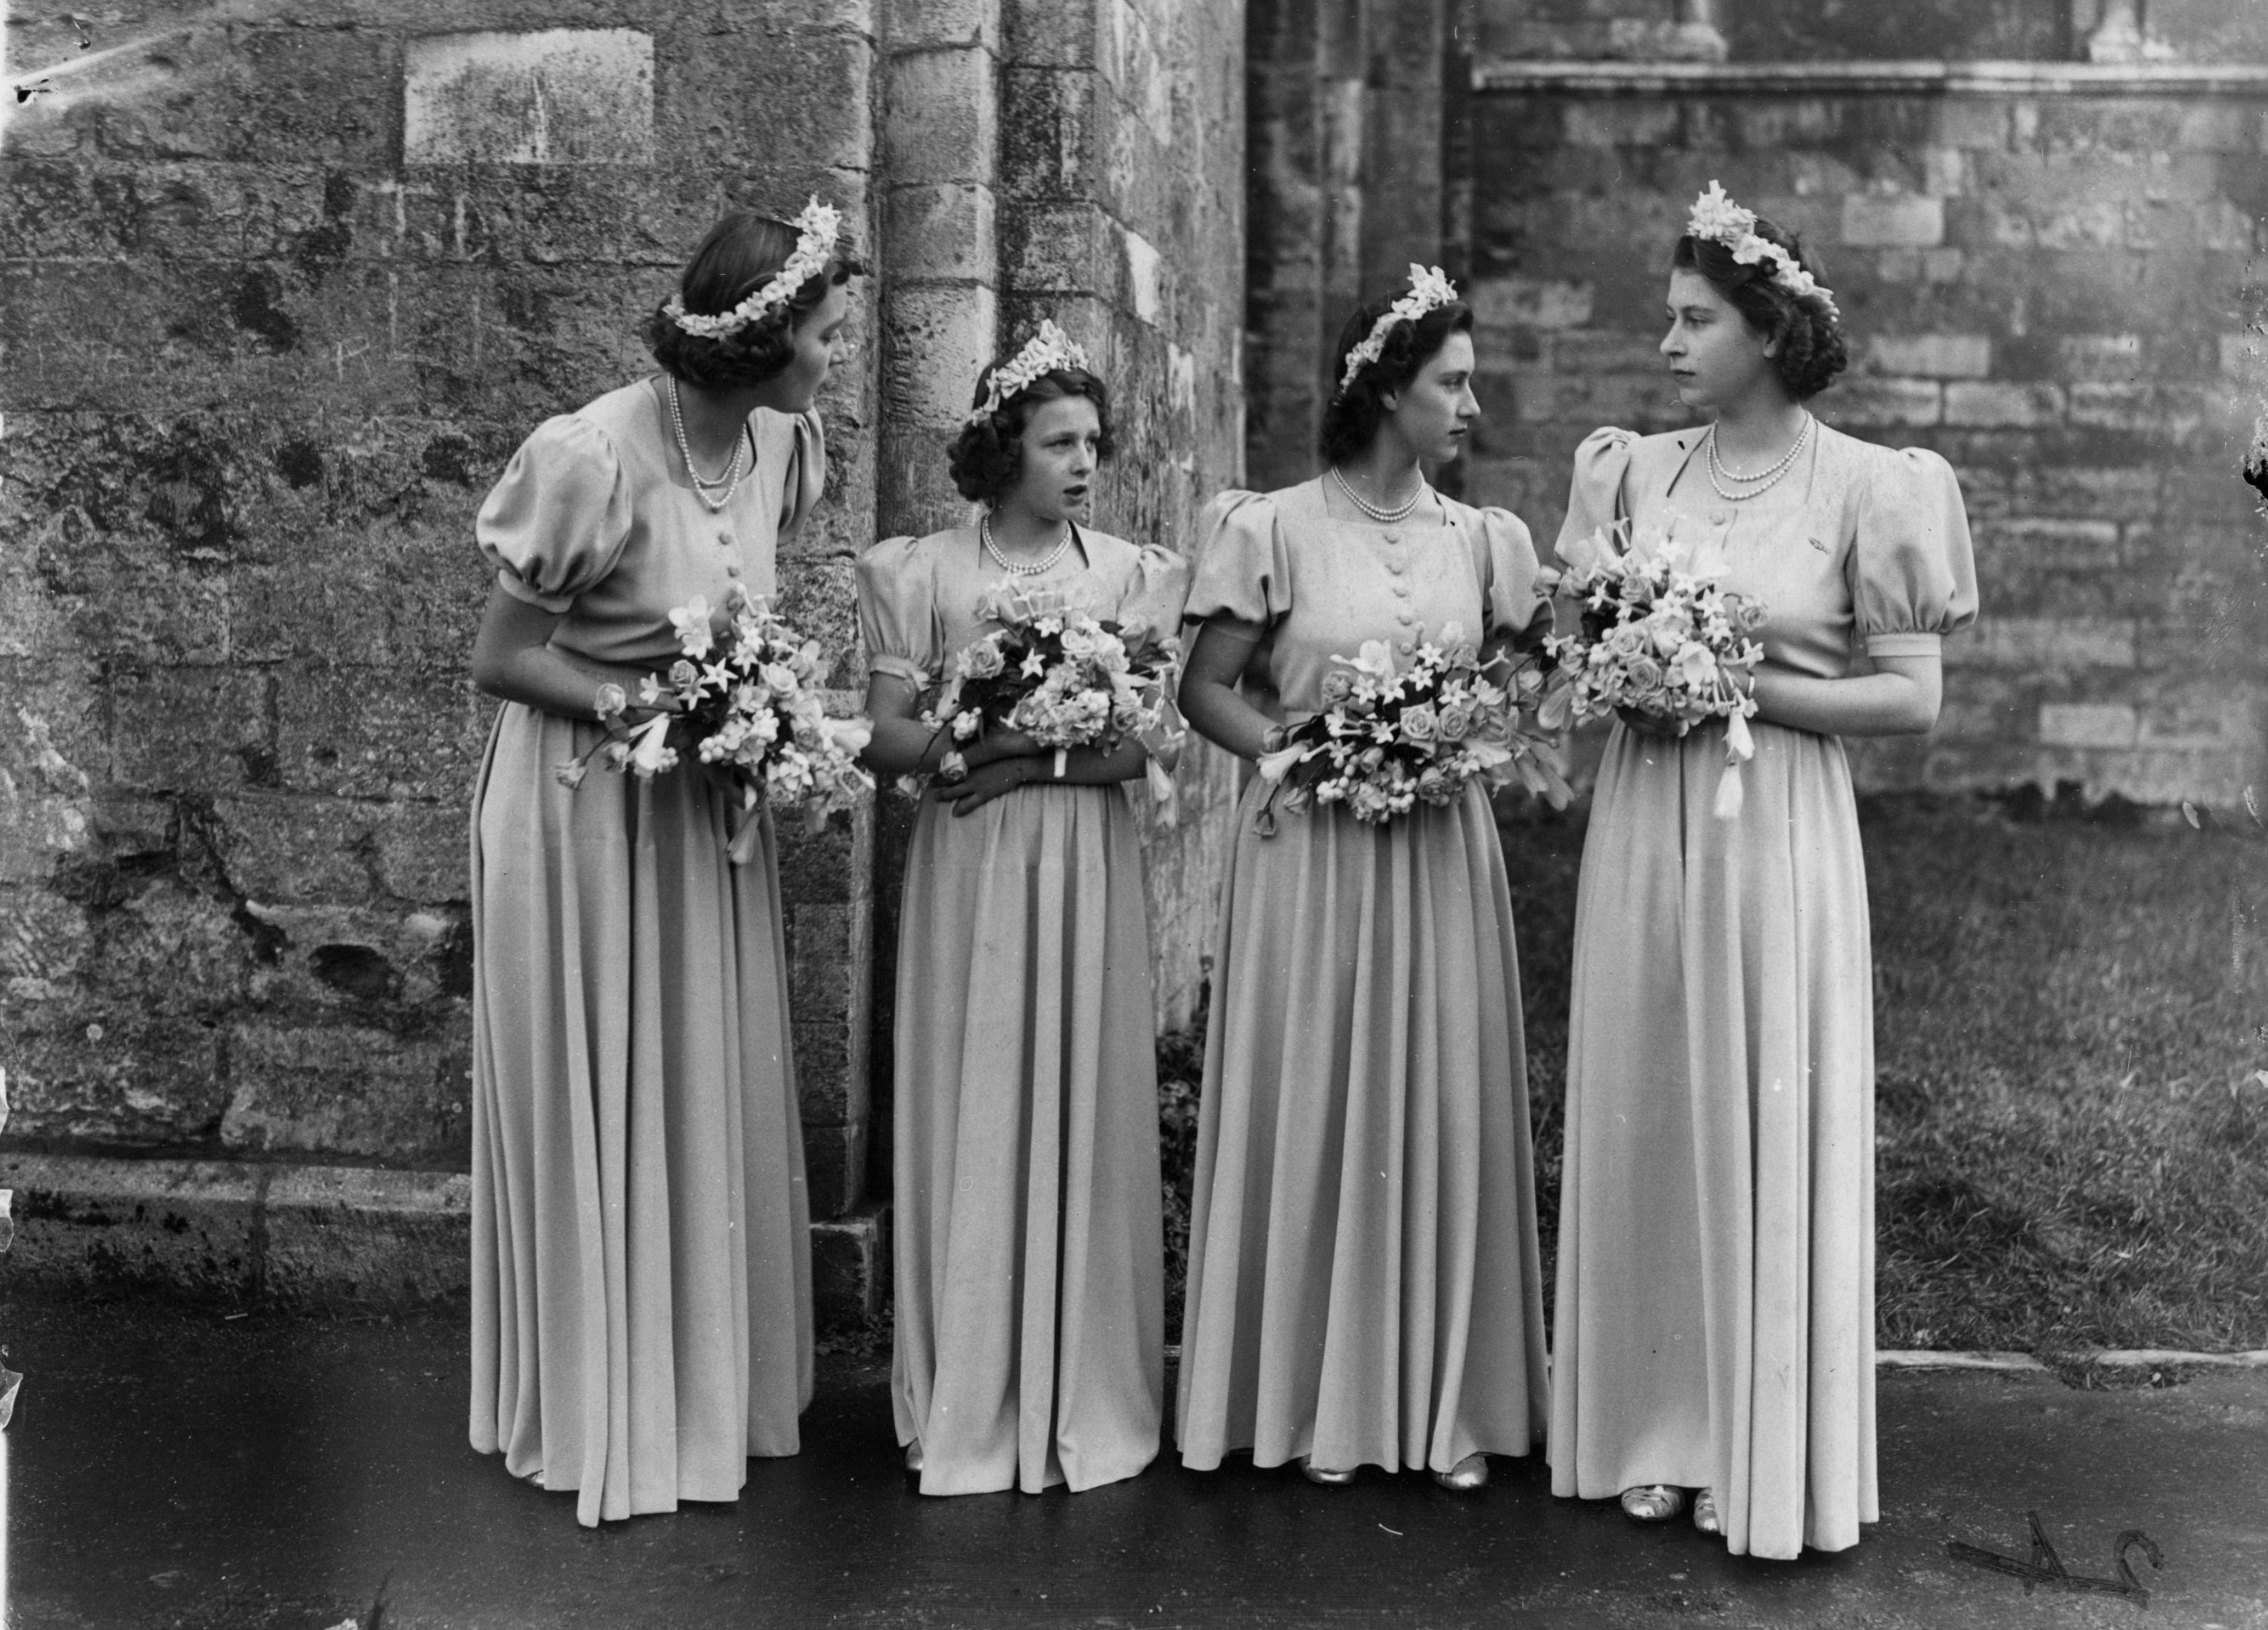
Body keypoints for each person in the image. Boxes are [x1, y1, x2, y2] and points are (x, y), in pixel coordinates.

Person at [1546, 182, 1978, 1558]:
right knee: (1657, 1104)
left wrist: (1741, 686)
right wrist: (1625, 670)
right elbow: (1575, 655)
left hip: (1775, 821)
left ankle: (1759, 1436)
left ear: (1769, 331)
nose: (1669, 344)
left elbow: (1910, 701)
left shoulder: (1870, 485)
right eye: (1668, 320)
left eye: (1695, 320)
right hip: (1645, 818)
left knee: (1757, 1102)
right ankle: (1659, 1424)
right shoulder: (1632, 470)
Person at [466, 200, 857, 1526]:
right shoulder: (590, 457)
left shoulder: (781, 445)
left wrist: (757, 713)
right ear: (758, 339)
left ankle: (696, 1391)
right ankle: (604, 1404)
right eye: (820, 332)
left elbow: (734, 619)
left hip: (696, 814)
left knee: (693, 1082)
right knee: (607, 1081)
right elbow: (501, 658)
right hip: (582, 808)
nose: (832, 356)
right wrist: (661, 713)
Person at [1173, 268, 1553, 1491]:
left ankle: (1442, 1397)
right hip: (1313, 854)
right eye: (1452, 382)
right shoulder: (1273, 526)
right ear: (1387, 388)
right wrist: (1301, 751)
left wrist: (1465, 727)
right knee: (1322, 1096)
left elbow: (1529, 682)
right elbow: (1206, 690)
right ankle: (1310, 1398)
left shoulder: (1485, 543)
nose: (1471, 405)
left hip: (1440, 852)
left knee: (1435, 1097)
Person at [856, 322, 1188, 1496]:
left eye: (1094, 442)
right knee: (973, 1099)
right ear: (1006, 451)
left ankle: (1079, 1379)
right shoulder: (924, 572)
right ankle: (965, 1384)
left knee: (1080, 1100)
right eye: (1060, 443)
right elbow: (892, 742)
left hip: (1084, 863)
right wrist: (985, 740)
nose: (1085, 462)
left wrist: (1015, 765)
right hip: (971, 869)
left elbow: (1143, 746)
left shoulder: (1128, 576)